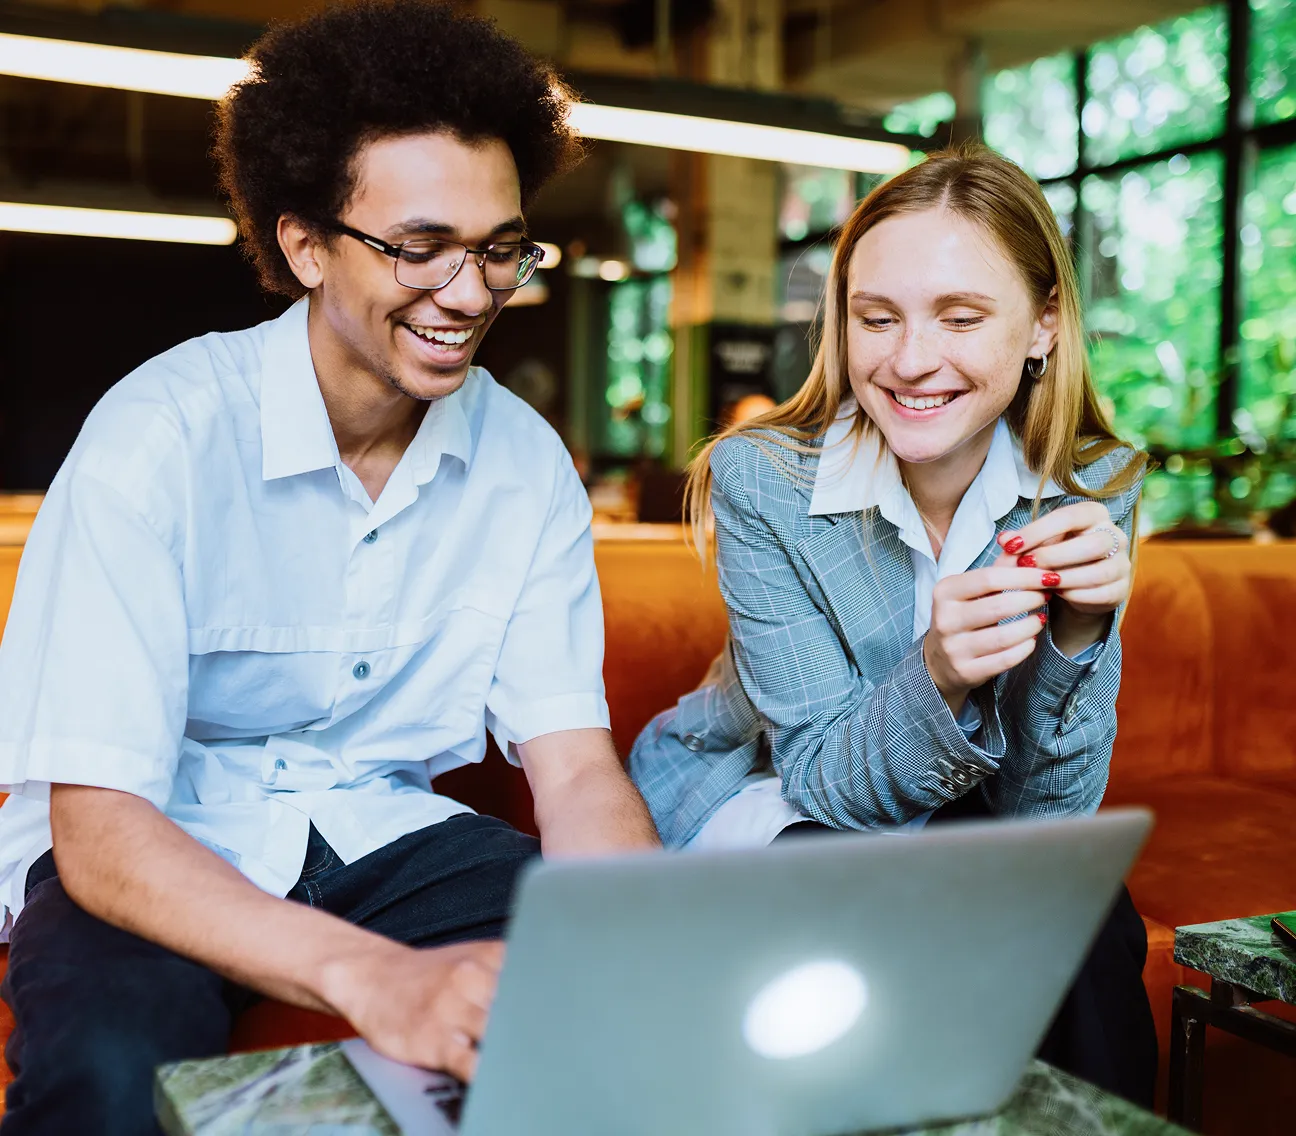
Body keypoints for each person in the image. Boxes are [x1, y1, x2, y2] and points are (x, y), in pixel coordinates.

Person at [0, 3, 659, 1131]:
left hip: (389, 837)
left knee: (615, 1026)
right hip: (161, 843)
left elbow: (577, 770)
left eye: (500, 247)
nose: (468, 292)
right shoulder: (160, 436)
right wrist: (368, 975)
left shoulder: (526, 463)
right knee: (112, 1075)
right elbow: (102, 830)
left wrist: (656, 944)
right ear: (305, 244)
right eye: (419, 246)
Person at [629, 146, 1157, 1103]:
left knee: (1083, 909)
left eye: (961, 317)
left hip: (962, 822)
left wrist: (1082, 636)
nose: (910, 361)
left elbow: (1047, 819)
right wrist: (942, 673)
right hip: (772, 794)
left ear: (1043, 325)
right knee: (865, 892)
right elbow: (824, 779)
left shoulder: (1094, 485)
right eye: (877, 318)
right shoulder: (765, 482)